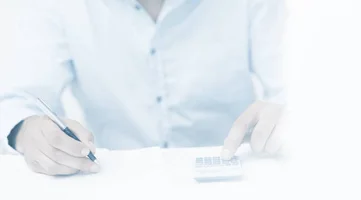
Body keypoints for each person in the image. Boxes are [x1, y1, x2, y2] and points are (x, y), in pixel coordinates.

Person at [0, 0, 288, 176]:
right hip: (115, 183)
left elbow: (300, 88)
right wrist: (25, 131)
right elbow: (15, 101)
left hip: (235, 180)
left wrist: (290, 114)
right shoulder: (57, 5)